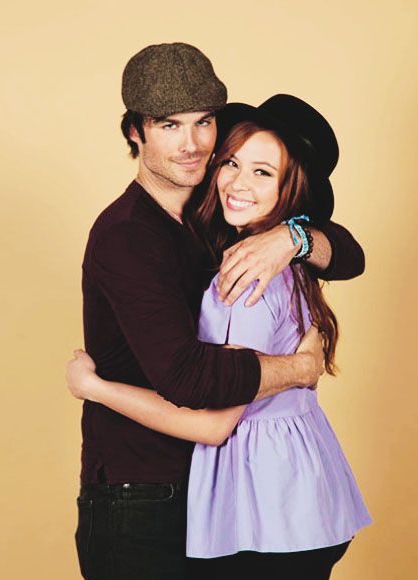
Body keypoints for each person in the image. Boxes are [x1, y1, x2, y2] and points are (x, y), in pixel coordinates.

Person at [70, 42, 366, 580]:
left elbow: (349, 255)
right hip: (140, 497)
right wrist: (300, 368)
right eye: (169, 125)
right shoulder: (127, 236)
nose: (191, 145)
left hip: (213, 491)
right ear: (135, 132)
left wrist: (292, 237)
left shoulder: (218, 211)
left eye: (203, 123)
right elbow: (191, 378)